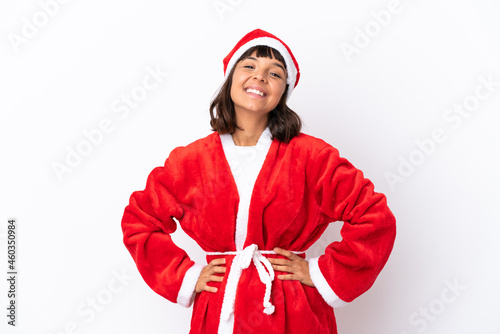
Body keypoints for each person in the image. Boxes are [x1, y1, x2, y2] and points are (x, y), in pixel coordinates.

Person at [121, 28, 396, 334]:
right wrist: (185, 275)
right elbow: (139, 220)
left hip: (294, 310)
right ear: (231, 79)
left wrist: (319, 272)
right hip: (220, 307)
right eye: (249, 66)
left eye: (274, 73)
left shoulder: (312, 157)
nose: (260, 77)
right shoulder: (190, 161)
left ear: (284, 91)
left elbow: (374, 217)